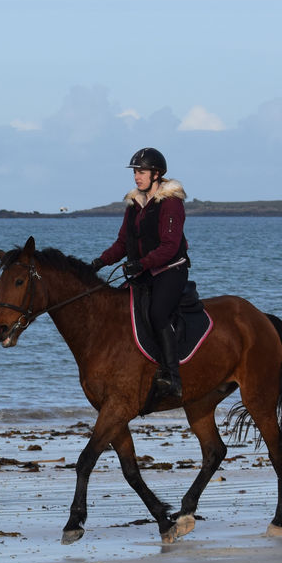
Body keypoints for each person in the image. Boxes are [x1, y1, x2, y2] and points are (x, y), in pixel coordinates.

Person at [91, 147, 189, 401]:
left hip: (170, 271)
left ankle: (172, 377)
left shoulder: (171, 204)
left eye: (142, 172)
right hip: (144, 271)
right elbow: (123, 243)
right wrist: (100, 261)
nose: (137, 176)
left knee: (157, 313)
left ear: (156, 174)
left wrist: (142, 263)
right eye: (135, 171)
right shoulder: (134, 204)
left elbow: (169, 247)